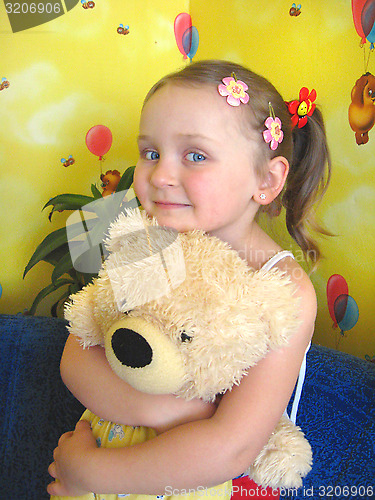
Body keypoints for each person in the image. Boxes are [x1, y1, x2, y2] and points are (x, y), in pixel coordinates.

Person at [47, 60, 331, 499]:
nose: (159, 175)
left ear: (267, 180)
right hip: (108, 458)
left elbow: (232, 445)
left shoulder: (284, 288)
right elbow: (77, 356)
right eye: (150, 152)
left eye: (195, 155)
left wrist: (95, 473)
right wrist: (169, 412)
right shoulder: (148, 238)